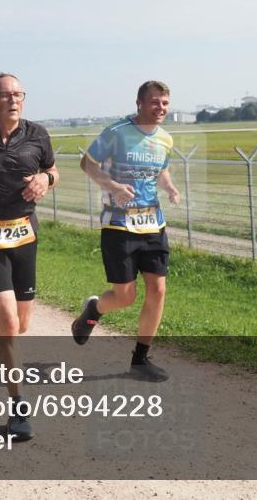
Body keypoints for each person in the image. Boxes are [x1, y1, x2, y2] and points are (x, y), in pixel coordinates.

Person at [0, 73, 58, 441]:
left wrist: (47, 180)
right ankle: (18, 408)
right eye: (5, 95)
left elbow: (52, 169)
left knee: (20, 324)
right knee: (9, 321)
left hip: (24, 233)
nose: (13, 100)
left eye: (18, 94)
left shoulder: (37, 134)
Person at [71, 81, 181, 382]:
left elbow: (161, 170)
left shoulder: (165, 139)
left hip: (153, 223)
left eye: (165, 103)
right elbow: (87, 163)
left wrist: (170, 187)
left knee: (158, 289)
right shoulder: (117, 133)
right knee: (125, 297)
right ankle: (94, 309)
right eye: (155, 102)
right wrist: (114, 186)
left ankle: (140, 360)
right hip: (119, 225)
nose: (160, 108)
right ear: (139, 103)